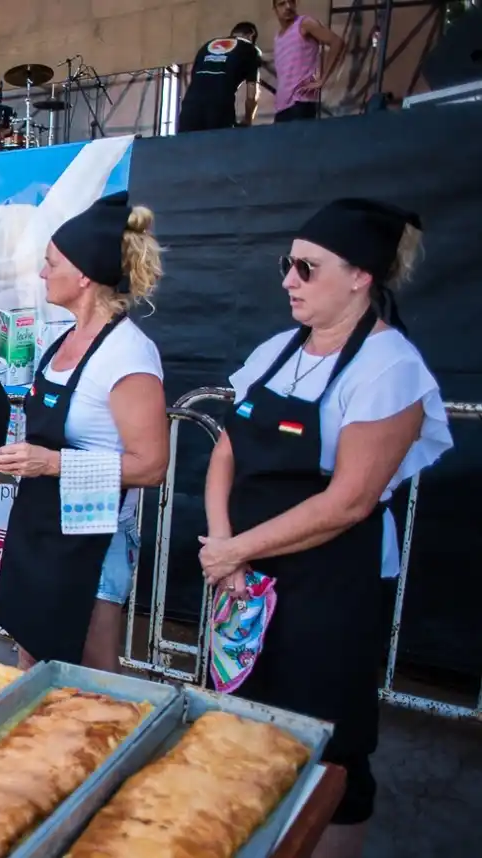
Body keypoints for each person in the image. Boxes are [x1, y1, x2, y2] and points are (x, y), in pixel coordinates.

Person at [199, 199, 451, 855]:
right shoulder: (275, 350)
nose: (289, 279)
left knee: (330, 748)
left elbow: (349, 502)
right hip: (243, 579)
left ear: (361, 275)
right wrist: (224, 545)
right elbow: (227, 450)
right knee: (240, 722)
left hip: (328, 587)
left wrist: (236, 549)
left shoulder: (390, 368)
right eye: (288, 264)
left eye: (307, 268)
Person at [0, 193, 169, 671]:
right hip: (40, 528)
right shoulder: (63, 339)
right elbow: (47, 444)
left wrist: (50, 463)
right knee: (33, 659)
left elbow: (151, 466)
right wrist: (6, 463)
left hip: (92, 539)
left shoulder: (128, 354)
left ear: (84, 274)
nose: (42, 274)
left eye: (51, 263)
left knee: (89, 678)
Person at [179, 22, 262, 132]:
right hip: (219, 106)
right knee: (219, 142)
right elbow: (252, 93)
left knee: (187, 142)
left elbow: (194, 78)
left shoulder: (206, 46)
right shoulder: (251, 49)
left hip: (190, 106)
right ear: (251, 36)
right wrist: (248, 119)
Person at [272, 0, 345, 123]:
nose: (288, 6)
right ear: (275, 9)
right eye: (282, 3)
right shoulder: (278, 37)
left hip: (301, 102)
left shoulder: (304, 24)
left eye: (291, 2)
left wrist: (322, 79)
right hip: (282, 107)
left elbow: (337, 42)